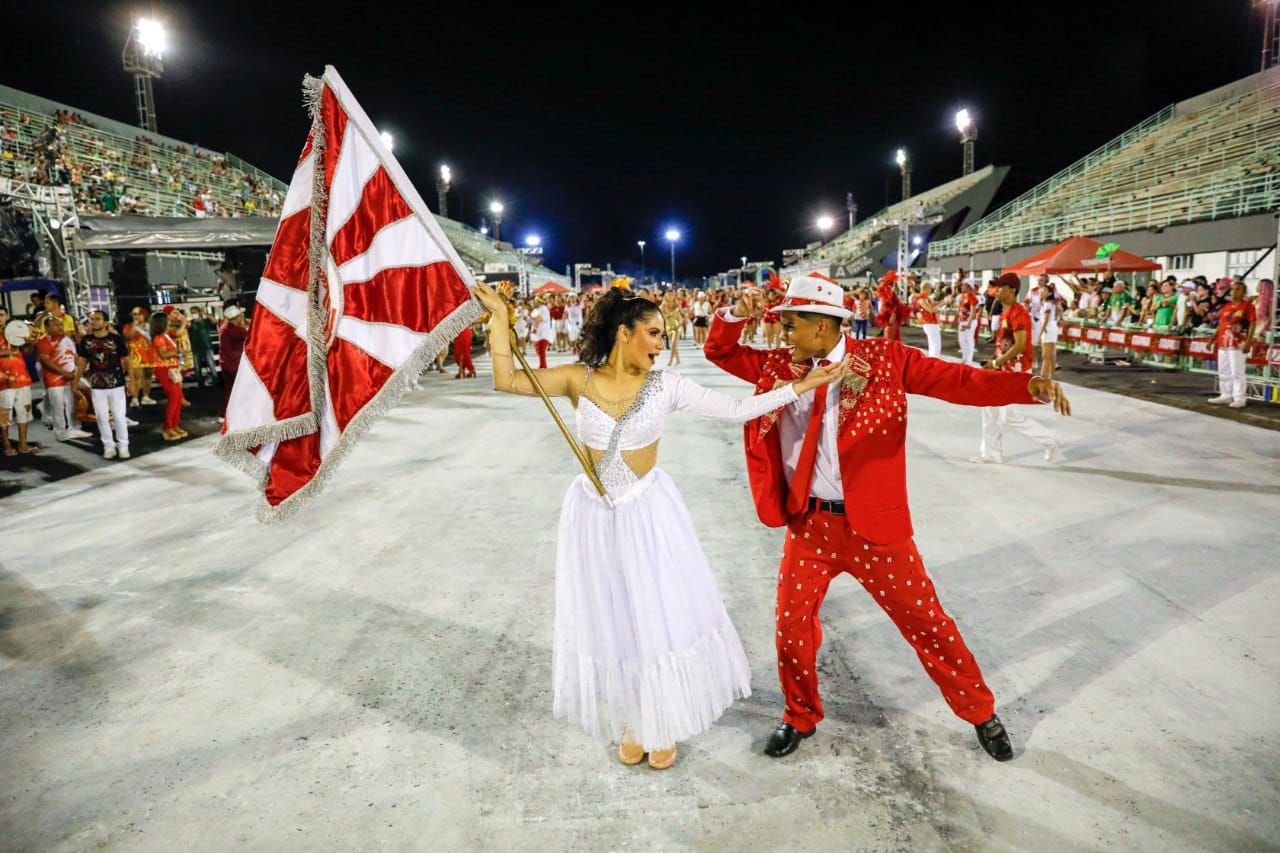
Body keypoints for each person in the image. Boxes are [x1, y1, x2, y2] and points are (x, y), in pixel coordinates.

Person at [471, 281, 852, 770]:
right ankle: (634, 717)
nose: (660, 341)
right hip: (593, 515)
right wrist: (500, 320)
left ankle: (661, 718)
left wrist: (800, 387)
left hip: (647, 514)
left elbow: (736, 409)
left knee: (654, 613)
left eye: (663, 333)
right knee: (614, 615)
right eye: (653, 332)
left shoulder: (667, 385)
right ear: (624, 332)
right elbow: (507, 380)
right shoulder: (577, 379)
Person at [704, 272, 1071, 762]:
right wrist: (733, 316)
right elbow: (721, 352)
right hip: (809, 526)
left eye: (791, 325)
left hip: (876, 529)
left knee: (928, 623)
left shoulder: (884, 359)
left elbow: (959, 381)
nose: (782, 335)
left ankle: (981, 712)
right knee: (791, 625)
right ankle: (800, 715)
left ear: (824, 325)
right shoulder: (778, 368)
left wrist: (1027, 385)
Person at [972, 273, 1061, 465]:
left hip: (1016, 371)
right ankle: (991, 453)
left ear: (1012, 290)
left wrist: (996, 363)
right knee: (988, 406)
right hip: (1003, 369)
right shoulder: (1006, 313)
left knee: (1008, 415)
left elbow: (1020, 346)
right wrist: (995, 361)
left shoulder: (1019, 314)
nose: (996, 290)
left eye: (1001, 287)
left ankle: (1049, 440)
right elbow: (1006, 344)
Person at [75, 310, 133, 459]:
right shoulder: (86, 340)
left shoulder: (116, 339)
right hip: (97, 385)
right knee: (101, 417)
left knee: (119, 417)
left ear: (106, 322)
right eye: (92, 319)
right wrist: (77, 379)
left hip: (117, 384)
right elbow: (82, 361)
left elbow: (127, 360)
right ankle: (108, 445)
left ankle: (123, 445)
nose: (93, 322)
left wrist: (131, 381)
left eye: (97, 319)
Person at [35, 318, 90, 440]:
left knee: (72, 404)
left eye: (61, 324)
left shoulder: (67, 340)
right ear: (47, 328)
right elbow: (45, 361)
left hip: (70, 377)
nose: (60, 327)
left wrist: (82, 371)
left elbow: (74, 356)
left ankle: (74, 429)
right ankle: (60, 432)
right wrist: (64, 373)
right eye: (56, 325)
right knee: (58, 407)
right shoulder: (43, 341)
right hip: (54, 380)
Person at [1207, 281, 1257, 409]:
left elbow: (1252, 324)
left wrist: (1248, 342)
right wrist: (1212, 340)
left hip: (1237, 342)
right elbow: (1221, 324)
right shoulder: (1227, 306)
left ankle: (1239, 398)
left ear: (1243, 292)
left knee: (1237, 372)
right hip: (1223, 342)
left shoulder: (1247, 306)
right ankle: (1226, 394)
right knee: (1223, 370)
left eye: (1238, 289)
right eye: (1233, 289)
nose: (1234, 292)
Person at [0, 327, 38, 455]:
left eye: (2, 315)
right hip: (3, 382)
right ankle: (7, 445)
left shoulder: (16, 332)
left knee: (24, 412)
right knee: (5, 415)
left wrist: (30, 343)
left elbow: (26, 353)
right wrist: (3, 353)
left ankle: (23, 444)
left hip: (22, 379)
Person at [150, 313, 187, 440]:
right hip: (164, 369)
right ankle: (168, 427)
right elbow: (164, 355)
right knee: (174, 397)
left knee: (177, 398)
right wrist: (178, 352)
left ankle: (175, 425)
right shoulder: (159, 338)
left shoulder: (166, 336)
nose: (169, 323)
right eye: (167, 321)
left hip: (171, 368)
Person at [218, 306, 249, 420]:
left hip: (226, 364)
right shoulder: (235, 330)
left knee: (229, 390)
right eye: (240, 315)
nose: (242, 317)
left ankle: (225, 414)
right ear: (236, 317)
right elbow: (250, 337)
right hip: (234, 365)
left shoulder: (224, 328)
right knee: (236, 390)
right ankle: (230, 415)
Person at [124, 306, 157, 406]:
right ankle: (134, 398)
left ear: (144, 315)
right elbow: (128, 337)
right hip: (136, 356)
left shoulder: (150, 326)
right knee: (137, 378)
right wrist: (134, 325)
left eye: (139, 314)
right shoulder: (128, 326)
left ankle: (145, 397)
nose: (137, 316)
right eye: (134, 314)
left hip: (150, 354)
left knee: (148, 376)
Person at [1038, 281, 1061, 382]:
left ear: (1050, 293)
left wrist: (1040, 334)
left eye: (1044, 290)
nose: (1041, 292)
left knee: (1046, 355)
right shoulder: (1047, 304)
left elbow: (1046, 320)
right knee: (1051, 355)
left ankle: (1042, 379)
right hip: (1050, 328)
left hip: (1048, 329)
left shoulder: (1048, 304)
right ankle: (1051, 378)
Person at [956, 280, 981, 366]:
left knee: (969, 339)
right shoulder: (962, 296)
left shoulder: (972, 297)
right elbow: (960, 309)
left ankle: (969, 360)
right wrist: (956, 319)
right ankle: (964, 357)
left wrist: (969, 323)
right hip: (962, 321)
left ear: (969, 287)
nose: (962, 287)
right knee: (961, 340)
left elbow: (973, 311)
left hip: (970, 321)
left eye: (964, 285)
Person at [916, 282, 941, 358]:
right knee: (935, 345)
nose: (931, 290)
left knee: (933, 345)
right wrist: (939, 305)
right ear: (925, 288)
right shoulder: (922, 299)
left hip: (931, 324)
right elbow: (931, 310)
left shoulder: (926, 298)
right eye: (930, 288)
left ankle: (932, 362)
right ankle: (934, 362)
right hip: (930, 324)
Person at [529, 296, 553, 369]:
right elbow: (531, 320)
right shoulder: (536, 310)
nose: (534, 302)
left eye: (536, 301)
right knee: (538, 351)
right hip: (537, 334)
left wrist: (531, 317)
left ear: (540, 302)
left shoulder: (544, 309)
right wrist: (528, 318)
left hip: (543, 333)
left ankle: (543, 366)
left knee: (542, 351)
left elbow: (539, 318)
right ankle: (542, 365)